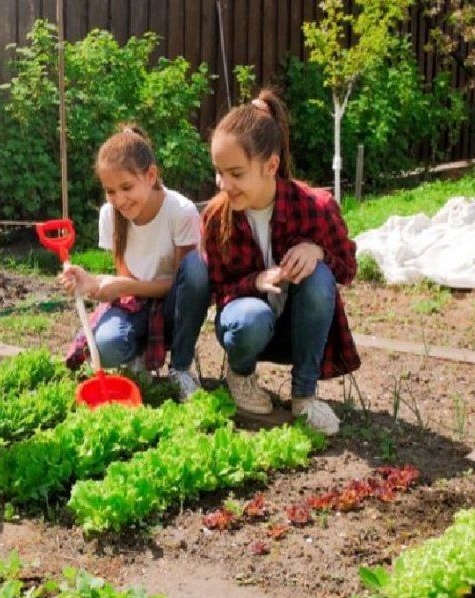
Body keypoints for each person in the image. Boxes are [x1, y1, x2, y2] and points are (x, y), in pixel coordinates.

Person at [201, 89, 360, 435]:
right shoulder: (216, 217)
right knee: (248, 317)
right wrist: (256, 281)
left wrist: (317, 252)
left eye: (236, 174)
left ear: (271, 166)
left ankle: (304, 396)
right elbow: (218, 290)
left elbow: (347, 266)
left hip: (298, 332)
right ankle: (241, 376)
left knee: (318, 276)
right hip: (248, 330)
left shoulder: (314, 207)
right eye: (219, 172)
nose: (224, 184)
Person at [61, 125, 211, 401]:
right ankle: (136, 359)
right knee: (105, 346)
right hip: (137, 304)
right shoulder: (110, 214)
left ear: (151, 175)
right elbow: (126, 284)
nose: (119, 199)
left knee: (196, 269)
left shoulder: (180, 211)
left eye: (126, 187)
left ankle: (180, 369)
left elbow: (185, 285)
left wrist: (121, 286)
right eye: (110, 191)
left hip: (174, 308)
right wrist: (92, 283)